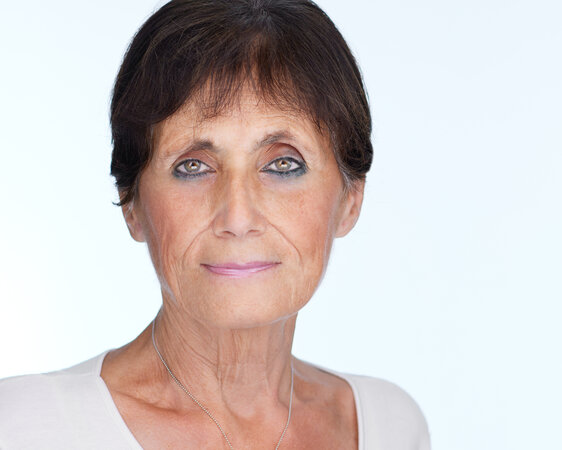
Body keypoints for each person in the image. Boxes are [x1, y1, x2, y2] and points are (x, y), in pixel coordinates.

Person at [0, 0, 430, 448]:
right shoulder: (25, 429)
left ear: (350, 198)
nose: (238, 218)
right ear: (132, 203)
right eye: (193, 166)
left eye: (283, 164)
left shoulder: (391, 427)